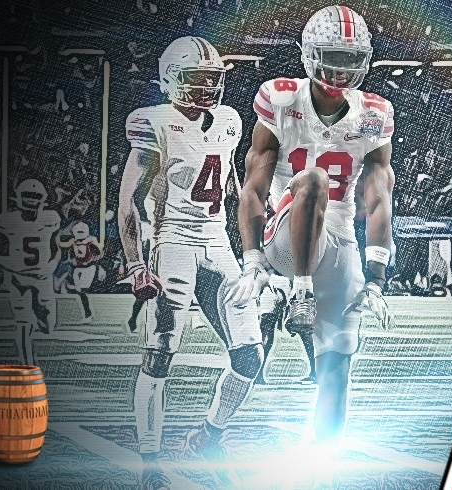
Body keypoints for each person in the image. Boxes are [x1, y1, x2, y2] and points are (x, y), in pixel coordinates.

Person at [230, 4, 396, 468]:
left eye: (351, 58)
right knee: (313, 180)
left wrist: (378, 277)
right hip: (287, 234)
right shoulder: (281, 99)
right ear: (308, 54)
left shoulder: (375, 114)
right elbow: (254, 186)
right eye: (332, 56)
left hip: (340, 239)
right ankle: (299, 292)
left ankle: (322, 464)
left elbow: (379, 199)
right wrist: (253, 259)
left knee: (337, 365)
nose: (342, 69)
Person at [117, 36, 263, 490]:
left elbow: (234, 188)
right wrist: (137, 263)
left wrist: (258, 247)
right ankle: (151, 461)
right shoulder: (153, 123)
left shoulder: (230, 121)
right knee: (160, 354)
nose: (206, 88)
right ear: (169, 81)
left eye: (211, 79)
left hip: (217, 243)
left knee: (250, 355)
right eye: (195, 79)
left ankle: (209, 435)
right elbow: (128, 200)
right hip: (173, 241)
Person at [0, 178, 61, 364]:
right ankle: (27, 364)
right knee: (22, 322)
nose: (31, 200)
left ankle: (38, 317)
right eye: (27, 195)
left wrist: (51, 266)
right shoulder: (6, 220)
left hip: (43, 277)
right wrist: (13, 266)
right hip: (17, 278)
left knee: (48, 326)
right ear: (18, 197)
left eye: (35, 195)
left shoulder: (51, 219)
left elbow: (57, 248)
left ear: (43, 199)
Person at [60, 221, 102, 323]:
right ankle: (69, 287)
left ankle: (88, 314)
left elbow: (99, 253)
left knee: (82, 290)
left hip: (89, 267)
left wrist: (96, 262)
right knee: (80, 291)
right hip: (78, 268)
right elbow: (65, 248)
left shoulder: (91, 240)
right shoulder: (73, 241)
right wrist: (71, 259)